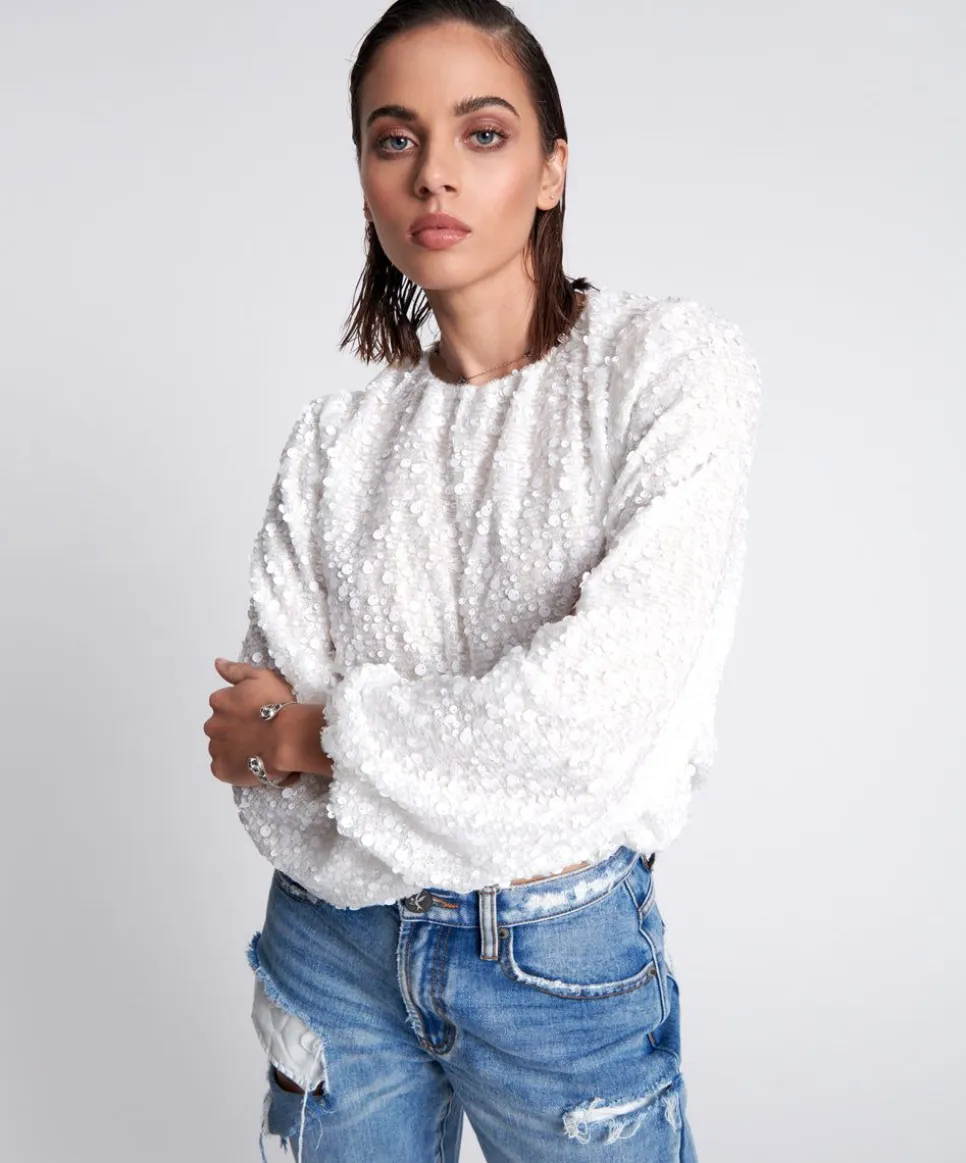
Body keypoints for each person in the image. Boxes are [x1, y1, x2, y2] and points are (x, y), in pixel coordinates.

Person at [203, 2, 762, 1160]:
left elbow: (576, 726)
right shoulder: (334, 443)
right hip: (333, 942)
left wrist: (309, 733)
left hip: (552, 957)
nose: (433, 173)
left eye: (484, 133)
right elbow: (263, 786)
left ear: (553, 168)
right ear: (365, 174)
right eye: (394, 138)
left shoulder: (668, 370)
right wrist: (303, 748)